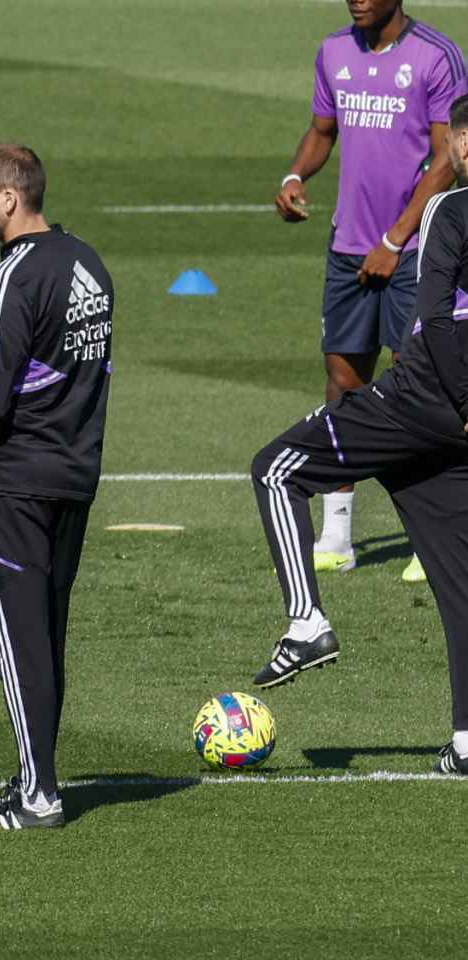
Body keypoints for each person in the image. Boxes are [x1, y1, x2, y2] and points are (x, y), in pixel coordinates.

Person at [250, 94, 468, 777]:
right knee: (459, 583)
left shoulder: (450, 209)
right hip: (451, 428)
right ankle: (466, 743)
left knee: (275, 469)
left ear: (456, 144)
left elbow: (431, 317)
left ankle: (306, 621)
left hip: (425, 399)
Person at [0, 144, 115, 829]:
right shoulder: (88, 262)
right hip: (74, 474)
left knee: (17, 639)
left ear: (9, 199)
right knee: (46, 634)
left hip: (12, 482)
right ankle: (32, 773)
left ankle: (39, 793)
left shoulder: (12, 276)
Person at [274, 0, 465, 581]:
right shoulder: (333, 52)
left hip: (412, 249)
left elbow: (447, 158)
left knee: (421, 379)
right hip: (348, 245)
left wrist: (395, 237)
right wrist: (293, 176)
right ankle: (337, 532)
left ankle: (427, 533)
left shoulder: (436, 56)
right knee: (342, 377)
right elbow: (321, 128)